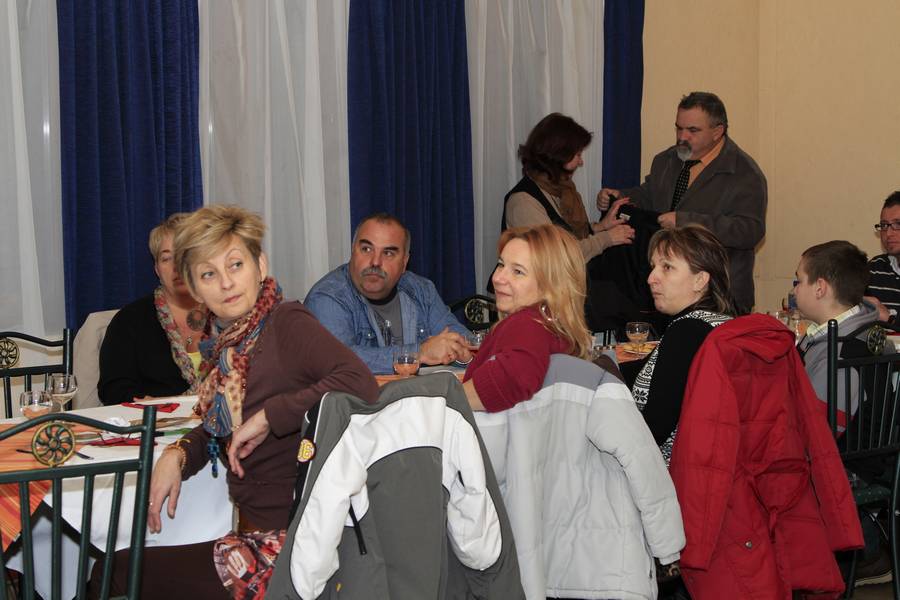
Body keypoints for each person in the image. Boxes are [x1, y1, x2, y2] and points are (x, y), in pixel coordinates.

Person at [91, 205, 378, 598]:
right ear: (194, 289)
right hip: (254, 533)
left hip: (292, 546)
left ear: (260, 266)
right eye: (209, 274)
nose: (226, 283)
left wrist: (268, 417)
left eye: (236, 265)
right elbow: (219, 427)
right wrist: (178, 454)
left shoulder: (286, 323)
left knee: (113, 572)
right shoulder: (228, 346)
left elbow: (360, 382)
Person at [600, 92, 766, 314]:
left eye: (692, 130)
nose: (682, 136)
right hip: (668, 292)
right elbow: (650, 193)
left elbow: (750, 230)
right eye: (679, 128)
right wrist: (620, 196)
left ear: (718, 132)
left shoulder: (745, 173)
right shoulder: (666, 160)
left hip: (719, 295)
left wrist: (684, 221)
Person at [304, 212, 472, 374]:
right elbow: (338, 361)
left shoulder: (421, 290)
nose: (375, 262)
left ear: (404, 262)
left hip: (416, 392)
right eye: (366, 249)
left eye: (388, 253)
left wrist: (463, 355)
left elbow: (460, 341)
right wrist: (418, 353)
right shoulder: (328, 297)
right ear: (353, 251)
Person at [631, 224, 736, 465]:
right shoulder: (723, 323)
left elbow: (655, 428)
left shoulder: (687, 332)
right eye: (653, 267)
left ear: (700, 280)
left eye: (667, 267)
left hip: (670, 474)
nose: (651, 278)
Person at [462, 224, 592, 412]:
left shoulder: (529, 323)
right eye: (501, 264)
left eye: (518, 271)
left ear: (551, 284)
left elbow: (513, 379)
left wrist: (443, 401)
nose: (498, 278)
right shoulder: (553, 325)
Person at [98, 213, 210, 404]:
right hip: (155, 419)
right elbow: (113, 389)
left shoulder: (227, 313)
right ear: (157, 269)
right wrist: (152, 404)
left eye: (185, 255)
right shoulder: (130, 320)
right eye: (166, 258)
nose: (177, 266)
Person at [502, 112, 634, 260]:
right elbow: (556, 257)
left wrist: (601, 227)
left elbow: (569, 236)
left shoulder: (561, 189)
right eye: (578, 155)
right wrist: (606, 239)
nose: (581, 162)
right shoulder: (523, 202)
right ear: (559, 155)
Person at [866, 191, 900, 321]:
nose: (889, 233)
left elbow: (886, 318)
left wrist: (889, 318)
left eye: (898, 224)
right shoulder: (874, 269)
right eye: (884, 225)